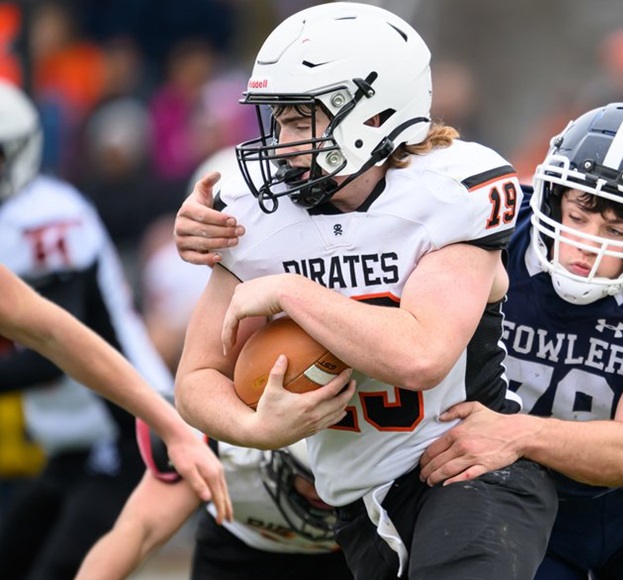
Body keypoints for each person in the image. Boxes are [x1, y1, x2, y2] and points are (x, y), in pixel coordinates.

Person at [175, 102, 623, 578]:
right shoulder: (487, 220)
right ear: (551, 191)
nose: (589, 243)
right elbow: (369, 203)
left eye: (619, 228)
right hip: (507, 493)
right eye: (580, 215)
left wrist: (517, 433)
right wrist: (214, 227)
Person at [172, 3, 557, 579]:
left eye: (303, 121)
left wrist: (289, 291)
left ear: (375, 115)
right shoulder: (257, 214)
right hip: (354, 499)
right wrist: (256, 429)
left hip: (468, 469)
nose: (283, 142)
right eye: (278, 122)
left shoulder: (447, 192)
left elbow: (420, 355)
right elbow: (197, 379)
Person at [0, 79, 230, 579]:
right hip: (70, 442)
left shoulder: (43, 218)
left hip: (124, 426)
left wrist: (169, 427)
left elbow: (50, 345)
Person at [76, 421, 351, 580]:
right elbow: (140, 530)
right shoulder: (222, 444)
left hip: (350, 558)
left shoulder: (389, 455)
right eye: (310, 478)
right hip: (241, 552)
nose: (323, 490)